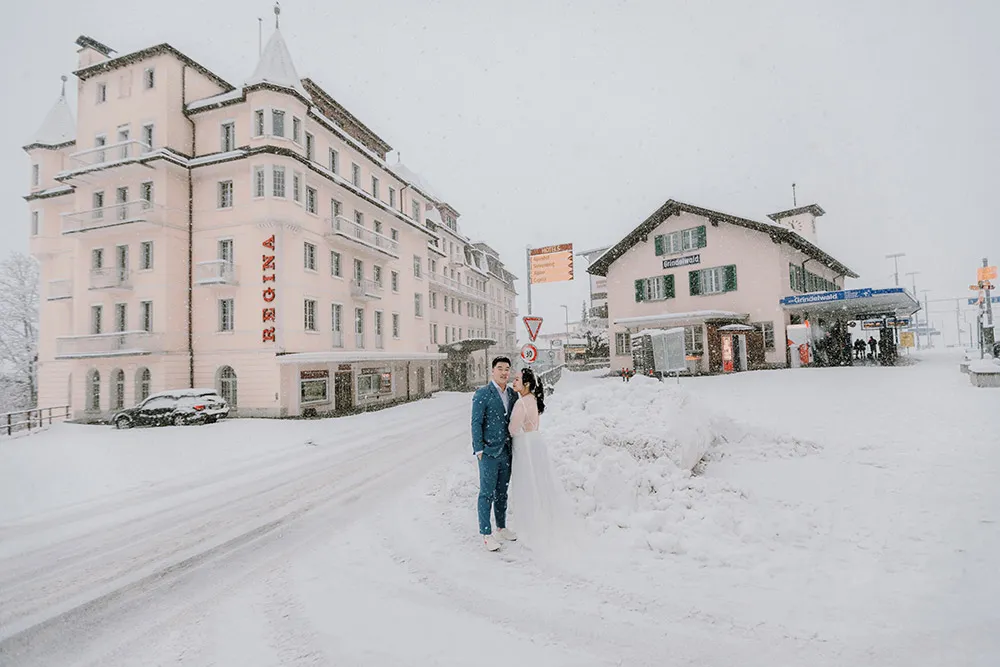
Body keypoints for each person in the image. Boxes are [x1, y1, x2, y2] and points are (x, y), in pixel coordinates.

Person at [507, 367, 580, 553]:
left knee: (526, 485)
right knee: (540, 483)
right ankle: (545, 522)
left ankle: (529, 527)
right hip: (536, 442)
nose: (513, 382)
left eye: (517, 379)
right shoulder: (533, 400)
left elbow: (513, 429)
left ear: (527, 384)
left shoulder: (521, 403)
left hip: (524, 446)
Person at [471, 356, 519, 551]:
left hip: (506, 451)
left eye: (507, 369)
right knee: (486, 493)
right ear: (493, 371)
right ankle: (486, 533)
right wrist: (479, 449)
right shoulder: (483, 393)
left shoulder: (512, 394)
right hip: (489, 452)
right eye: (500, 368)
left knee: (502, 492)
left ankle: (501, 527)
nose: (504, 372)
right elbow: (476, 422)